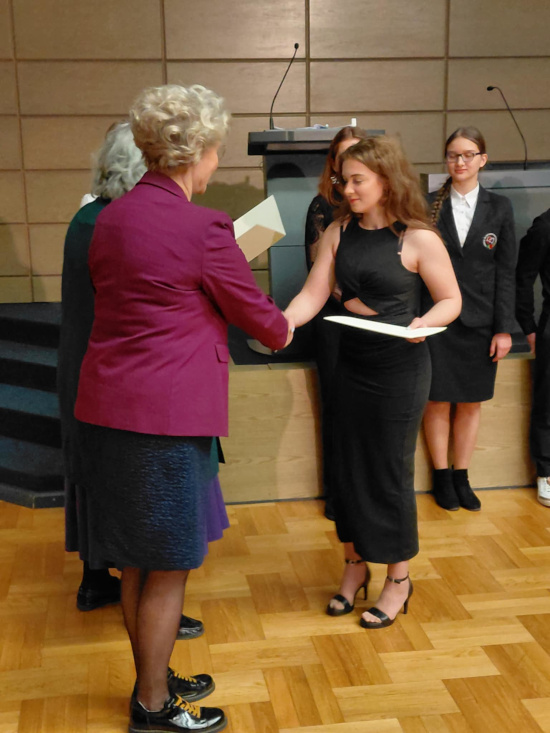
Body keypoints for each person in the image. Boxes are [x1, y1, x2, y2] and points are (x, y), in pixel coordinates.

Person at [73, 84, 291, 732]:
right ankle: (153, 706)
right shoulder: (205, 227)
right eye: (216, 149)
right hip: (165, 420)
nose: (216, 162)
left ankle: (154, 676)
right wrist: (286, 322)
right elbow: (264, 322)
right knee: (168, 565)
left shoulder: (108, 218)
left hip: (107, 410)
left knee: (136, 560)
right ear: (196, 151)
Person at [285, 136, 461, 629]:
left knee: (387, 473)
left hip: (400, 372)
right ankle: (354, 565)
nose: (347, 190)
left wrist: (424, 323)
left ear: (386, 180)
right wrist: (284, 322)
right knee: (345, 468)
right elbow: (313, 294)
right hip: (351, 365)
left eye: (357, 180)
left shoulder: (419, 238)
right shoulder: (338, 231)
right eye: (344, 180)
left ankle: (398, 579)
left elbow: (451, 300)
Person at [424, 127, 517, 512]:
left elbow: (506, 272)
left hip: (481, 321)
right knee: (437, 401)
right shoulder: (426, 204)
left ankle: (462, 475)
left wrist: (503, 328)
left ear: (483, 159)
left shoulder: (500, 207)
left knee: (471, 402)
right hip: (436, 318)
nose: (459, 162)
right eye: (453, 155)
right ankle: (441, 477)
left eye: (468, 154)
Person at [304, 125, 366, 519]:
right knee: (337, 408)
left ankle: (362, 492)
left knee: (365, 411)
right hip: (334, 320)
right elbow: (322, 278)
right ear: (333, 163)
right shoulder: (322, 206)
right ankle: (336, 492)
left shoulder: (378, 209)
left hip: (373, 325)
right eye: (343, 156)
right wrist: (362, 306)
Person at [516, 207, 550, 507]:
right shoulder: (544, 226)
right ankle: (546, 473)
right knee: (548, 403)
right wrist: (528, 326)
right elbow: (523, 278)